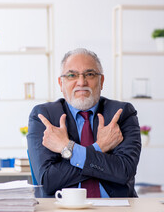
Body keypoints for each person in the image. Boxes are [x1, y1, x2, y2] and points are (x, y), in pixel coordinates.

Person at [27, 48, 141, 198]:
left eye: (90, 74)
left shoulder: (122, 113)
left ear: (101, 81)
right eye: (71, 75)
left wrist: (68, 149)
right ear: (61, 83)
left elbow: (124, 171)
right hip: (63, 207)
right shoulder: (44, 116)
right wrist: (99, 148)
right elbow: (48, 180)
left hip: (116, 206)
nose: (81, 82)